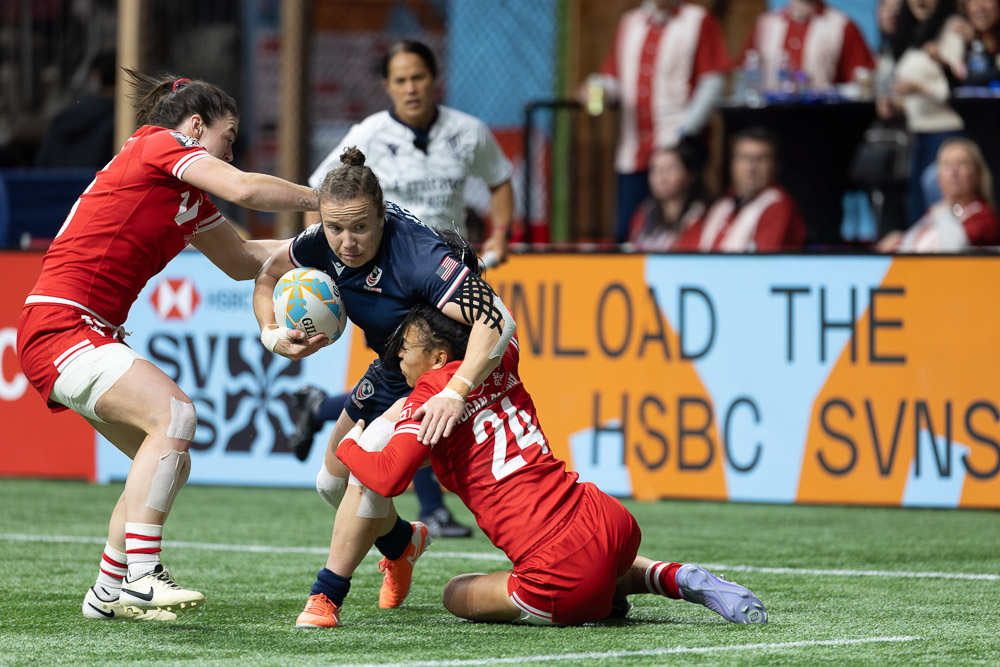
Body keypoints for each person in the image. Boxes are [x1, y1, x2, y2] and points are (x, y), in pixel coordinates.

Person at [15, 69, 319, 621]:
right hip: (62, 326)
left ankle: (108, 591)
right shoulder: (156, 143)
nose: (232, 151)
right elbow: (245, 189)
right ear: (195, 126)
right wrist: (326, 201)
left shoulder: (186, 196)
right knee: (175, 415)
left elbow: (241, 261)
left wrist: (329, 243)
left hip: (78, 332)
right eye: (229, 137)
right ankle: (143, 576)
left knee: (166, 461)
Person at [335, 304, 767, 626]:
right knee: (595, 570)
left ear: (438, 358)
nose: (397, 360)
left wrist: (349, 445)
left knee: (454, 592)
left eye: (405, 350)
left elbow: (388, 478)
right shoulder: (502, 354)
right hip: (608, 518)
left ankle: (602, 595)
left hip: (557, 569)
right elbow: (495, 316)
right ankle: (671, 576)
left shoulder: (428, 394)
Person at [251, 147, 515, 628]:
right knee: (331, 482)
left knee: (371, 460)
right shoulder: (320, 240)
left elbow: (499, 320)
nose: (346, 242)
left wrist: (455, 390)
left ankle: (326, 596)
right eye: (335, 228)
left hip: (443, 369)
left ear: (382, 216)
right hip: (395, 366)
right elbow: (267, 275)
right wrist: (272, 335)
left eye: (360, 227)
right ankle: (401, 543)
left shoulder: (418, 256)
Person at [291, 41, 515, 537]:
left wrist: (499, 236)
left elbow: (500, 180)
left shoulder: (469, 131)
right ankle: (415, 524)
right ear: (387, 86)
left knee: (422, 390)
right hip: (387, 281)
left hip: (442, 279)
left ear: (434, 80)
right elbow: (320, 197)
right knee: (406, 385)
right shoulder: (369, 134)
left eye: (418, 77)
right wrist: (334, 262)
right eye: (400, 80)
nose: (410, 88)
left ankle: (417, 514)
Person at [583, 0, 730, 243]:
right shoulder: (630, 22)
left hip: (680, 146)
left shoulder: (698, 20)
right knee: (626, 229)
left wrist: (686, 132)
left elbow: (712, 82)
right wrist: (597, 89)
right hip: (634, 148)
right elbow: (614, 78)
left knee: (684, 227)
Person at [879, 0, 963, 224]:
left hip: (946, 131)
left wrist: (919, 88)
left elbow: (958, 88)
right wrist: (895, 106)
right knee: (919, 209)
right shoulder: (911, 31)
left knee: (943, 207)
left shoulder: (952, 28)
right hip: (918, 132)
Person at [675, 127, 805, 251]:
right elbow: (685, 250)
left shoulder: (777, 205)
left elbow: (763, 262)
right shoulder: (723, 204)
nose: (751, 167)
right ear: (733, 163)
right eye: (744, 157)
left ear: (775, 166)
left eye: (761, 159)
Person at [877, 136, 1000, 250]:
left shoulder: (985, 218)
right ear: (938, 176)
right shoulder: (936, 211)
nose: (953, 172)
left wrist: (944, 212)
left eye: (962, 164)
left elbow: (952, 248)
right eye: (947, 165)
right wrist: (901, 239)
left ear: (977, 174)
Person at [742, 0, 875, 93]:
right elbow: (744, 75)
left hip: (823, 118)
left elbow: (862, 84)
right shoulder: (766, 24)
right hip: (771, 117)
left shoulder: (843, 26)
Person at [35, 50, 117, 169]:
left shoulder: (66, 116)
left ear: (96, 76)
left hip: (56, 180)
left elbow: (43, 164)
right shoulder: (123, 121)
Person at [626, 140, 707, 251]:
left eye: (670, 169)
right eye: (655, 169)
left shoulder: (706, 217)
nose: (661, 178)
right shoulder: (642, 215)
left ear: (690, 175)